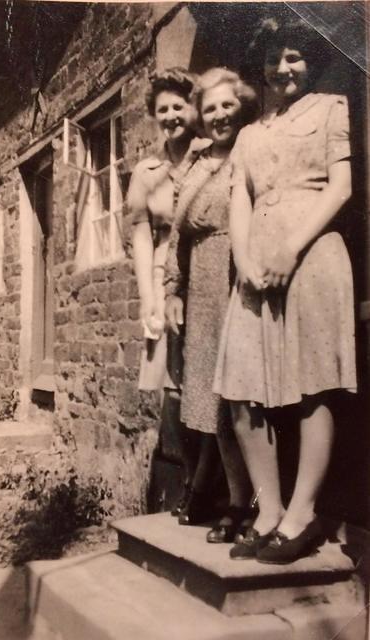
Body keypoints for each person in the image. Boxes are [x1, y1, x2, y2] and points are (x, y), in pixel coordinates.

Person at [213, 16, 357, 563]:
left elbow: (341, 186)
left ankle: (302, 515)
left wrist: (291, 248)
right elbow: (241, 203)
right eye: (274, 58)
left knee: (311, 385)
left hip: (313, 252)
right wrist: (248, 260)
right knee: (242, 391)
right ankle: (268, 508)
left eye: (294, 56)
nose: (283, 67)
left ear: (311, 60)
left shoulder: (331, 108)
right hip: (257, 265)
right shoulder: (250, 134)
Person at [165, 68, 257, 536]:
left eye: (227, 105)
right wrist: (173, 290)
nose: (219, 115)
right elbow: (177, 236)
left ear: (242, 106)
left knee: (239, 397)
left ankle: (247, 502)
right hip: (201, 285)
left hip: (237, 278)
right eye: (210, 107)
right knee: (210, 403)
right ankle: (238, 497)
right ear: (199, 115)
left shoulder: (254, 148)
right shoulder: (198, 162)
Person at [128, 68, 206, 513]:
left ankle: (218, 489)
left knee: (212, 378)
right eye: (163, 110)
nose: (172, 115)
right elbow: (140, 235)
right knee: (173, 382)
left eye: (179, 106)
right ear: (154, 117)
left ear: (192, 109)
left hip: (208, 268)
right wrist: (148, 296)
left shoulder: (211, 155)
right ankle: (183, 487)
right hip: (162, 271)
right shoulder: (147, 171)